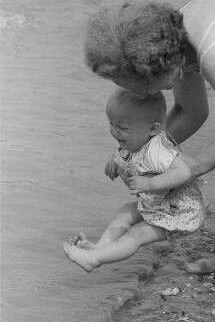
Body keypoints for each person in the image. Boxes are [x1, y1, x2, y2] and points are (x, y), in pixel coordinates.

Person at [83, 0, 215, 317]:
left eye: (143, 91)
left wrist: (190, 166)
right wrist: (138, 155)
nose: (143, 98)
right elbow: (192, 112)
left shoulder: (214, 53)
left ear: (163, 73)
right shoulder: (172, 39)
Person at [63, 89, 204, 272]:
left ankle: (94, 259)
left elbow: (183, 172)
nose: (115, 132)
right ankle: (98, 249)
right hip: (160, 204)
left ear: (153, 129)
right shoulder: (137, 140)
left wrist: (149, 184)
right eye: (111, 124)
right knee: (125, 212)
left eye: (122, 128)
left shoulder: (158, 151)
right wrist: (115, 159)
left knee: (137, 234)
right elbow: (129, 154)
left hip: (179, 212)